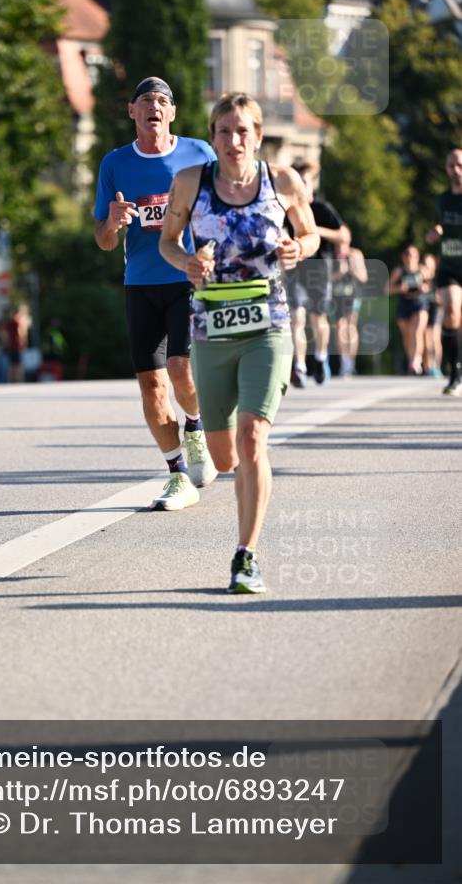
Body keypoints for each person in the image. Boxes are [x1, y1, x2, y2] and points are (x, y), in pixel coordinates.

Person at [160, 92, 319, 593]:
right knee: (225, 457)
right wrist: (186, 262)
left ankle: (245, 556)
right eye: (225, 131)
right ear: (212, 137)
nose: (234, 140)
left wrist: (298, 247)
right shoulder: (190, 182)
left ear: (258, 134)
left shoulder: (282, 181)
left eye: (244, 130)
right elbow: (167, 239)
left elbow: (312, 233)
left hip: (268, 326)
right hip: (211, 330)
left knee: (253, 439)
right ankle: (215, 457)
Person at [94, 76, 217, 509]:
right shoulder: (114, 164)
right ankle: (177, 473)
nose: (155, 107)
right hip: (141, 283)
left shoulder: (198, 153)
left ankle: (197, 426)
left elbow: (226, 207)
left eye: (163, 101)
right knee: (151, 386)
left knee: (182, 370)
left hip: (187, 278)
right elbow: (104, 241)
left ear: (173, 113)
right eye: (146, 100)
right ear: (132, 112)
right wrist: (112, 222)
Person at [285, 163, 351, 386]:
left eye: (305, 181)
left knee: (317, 317)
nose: (302, 185)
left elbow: (343, 235)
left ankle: (321, 358)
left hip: (320, 270)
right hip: (296, 268)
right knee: (297, 317)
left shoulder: (323, 209)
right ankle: (300, 366)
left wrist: (313, 230)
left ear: (312, 184)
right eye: (298, 181)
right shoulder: (289, 207)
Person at [426, 148, 462, 395]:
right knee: (451, 310)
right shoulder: (442, 200)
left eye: (459, 164)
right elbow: (434, 227)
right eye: (451, 165)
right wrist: (433, 234)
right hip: (449, 267)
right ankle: (454, 372)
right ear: (446, 169)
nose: (456, 170)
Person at [387, 245, 429, 374]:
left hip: (419, 302)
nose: (410, 257)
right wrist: (399, 288)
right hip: (404, 304)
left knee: (417, 331)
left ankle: (416, 360)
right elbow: (387, 289)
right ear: (403, 257)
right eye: (407, 254)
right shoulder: (399, 271)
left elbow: (431, 286)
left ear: (417, 257)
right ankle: (412, 359)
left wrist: (424, 288)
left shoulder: (423, 270)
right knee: (407, 336)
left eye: (412, 254)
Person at [331, 240, 368, 377]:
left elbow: (364, 278)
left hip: (352, 296)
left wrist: (353, 269)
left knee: (351, 326)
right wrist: (339, 273)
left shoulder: (356, 254)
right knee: (340, 327)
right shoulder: (330, 255)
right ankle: (344, 361)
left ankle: (351, 363)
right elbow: (325, 279)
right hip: (337, 296)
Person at [420, 253, 443, 377]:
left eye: (429, 264)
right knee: (424, 338)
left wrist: (434, 295)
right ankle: (427, 366)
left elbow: (442, 298)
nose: (427, 267)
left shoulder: (439, 279)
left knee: (434, 338)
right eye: (425, 264)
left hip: (435, 309)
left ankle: (436, 366)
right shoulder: (420, 279)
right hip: (423, 309)